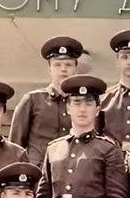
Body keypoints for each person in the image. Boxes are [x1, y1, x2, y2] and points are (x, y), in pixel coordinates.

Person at [8, 35, 83, 164]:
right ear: (49, 69)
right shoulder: (32, 100)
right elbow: (15, 146)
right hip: (39, 174)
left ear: (75, 69)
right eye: (57, 65)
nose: (63, 69)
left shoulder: (83, 104)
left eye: (68, 65)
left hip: (73, 173)